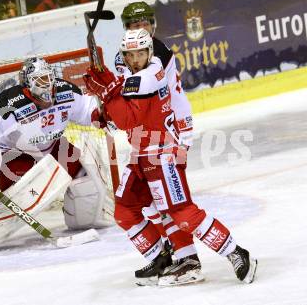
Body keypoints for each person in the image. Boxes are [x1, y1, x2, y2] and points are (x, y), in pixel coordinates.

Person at [84, 28, 258, 285]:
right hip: (141, 155)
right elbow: (124, 106)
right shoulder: (135, 75)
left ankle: (236, 252)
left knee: (182, 214)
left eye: (140, 53)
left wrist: (108, 92)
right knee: (124, 210)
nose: (134, 59)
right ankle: (164, 258)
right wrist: (106, 104)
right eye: (129, 55)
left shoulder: (152, 73)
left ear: (149, 52)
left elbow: (128, 117)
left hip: (161, 154)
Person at [0, 56, 114, 255]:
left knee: (87, 177)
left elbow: (89, 111)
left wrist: (107, 113)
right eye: (39, 79)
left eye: (48, 78)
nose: (47, 85)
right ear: (28, 83)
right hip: (16, 157)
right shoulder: (10, 103)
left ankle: (84, 219)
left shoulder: (66, 91)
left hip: (53, 148)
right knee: (26, 194)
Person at [113, 1, 203, 286]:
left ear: (152, 25)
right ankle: (174, 255)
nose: (141, 29)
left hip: (165, 136)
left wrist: (109, 97)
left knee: (168, 204)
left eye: (145, 24)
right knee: (153, 205)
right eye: (134, 25)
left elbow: (138, 91)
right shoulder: (129, 54)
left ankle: (186, 258)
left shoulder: (156, 52)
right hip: (144, 139)